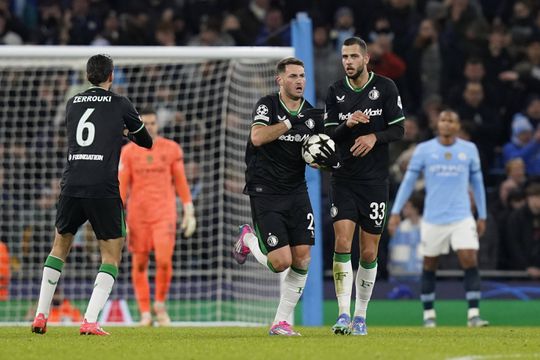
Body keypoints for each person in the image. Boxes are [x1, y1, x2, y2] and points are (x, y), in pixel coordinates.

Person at [31, 54, 153, 336]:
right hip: (103, 186)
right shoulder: (121, 103)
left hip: (72, 184)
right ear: (111, 76)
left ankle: (40, 315)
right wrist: (124, 131)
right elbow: (146, 142)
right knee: (111, 254)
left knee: (59, 246)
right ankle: (89, 321)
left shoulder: (72, 103)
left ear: (88, 76)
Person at [232, 57, 330, 336]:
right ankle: (248, 239)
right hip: (265, 189)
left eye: (302, 76)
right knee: (280, 263)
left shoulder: (312, 115)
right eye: (293, 76)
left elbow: (315, 153)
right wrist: (289, 123)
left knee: (303, 258)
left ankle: (280, 322)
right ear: (280, 80)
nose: (299, 81)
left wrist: (321, 160)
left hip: (296, 190)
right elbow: (258, 138)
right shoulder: (268, 104)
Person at [324, 37, 405, 336]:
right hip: (343, 178)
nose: (348, 62)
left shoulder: (385, 88)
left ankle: (361, 316)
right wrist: (349, 126)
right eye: (344, 56)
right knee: (342, 243)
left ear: (366, 58)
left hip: (374, 181)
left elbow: (399, 128)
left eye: (353, 56)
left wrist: (373, 137)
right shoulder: (335, 91)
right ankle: (343, 313)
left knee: (369, 252)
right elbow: (330, 132)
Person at [388, 110, 489, 328]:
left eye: (451, 120)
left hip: (461, 216)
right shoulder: (424, 150)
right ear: (438, 125)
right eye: (443, 120)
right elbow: (408, 182)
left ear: (457, 125)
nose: (446, 124)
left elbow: (478, 183)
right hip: (433, 218)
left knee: (469, 257)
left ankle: (473, 314)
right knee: (429, 264)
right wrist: (395, 211)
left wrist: (482, 214)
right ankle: (429, 315)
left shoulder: (469, 150)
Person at [119, 107, 196, 326]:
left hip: (164, 214)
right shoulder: (129, 152)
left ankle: (159, 305)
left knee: (164, 260)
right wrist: (119, 215)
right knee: (140, 264)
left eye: (153, 123)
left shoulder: (171, 149)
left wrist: (188, 209)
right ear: (139, 125)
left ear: (158, 125)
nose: (150, 127)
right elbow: (122, 187)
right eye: (146, 123)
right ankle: (144, 312)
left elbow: (180, 180)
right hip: (138, 216)